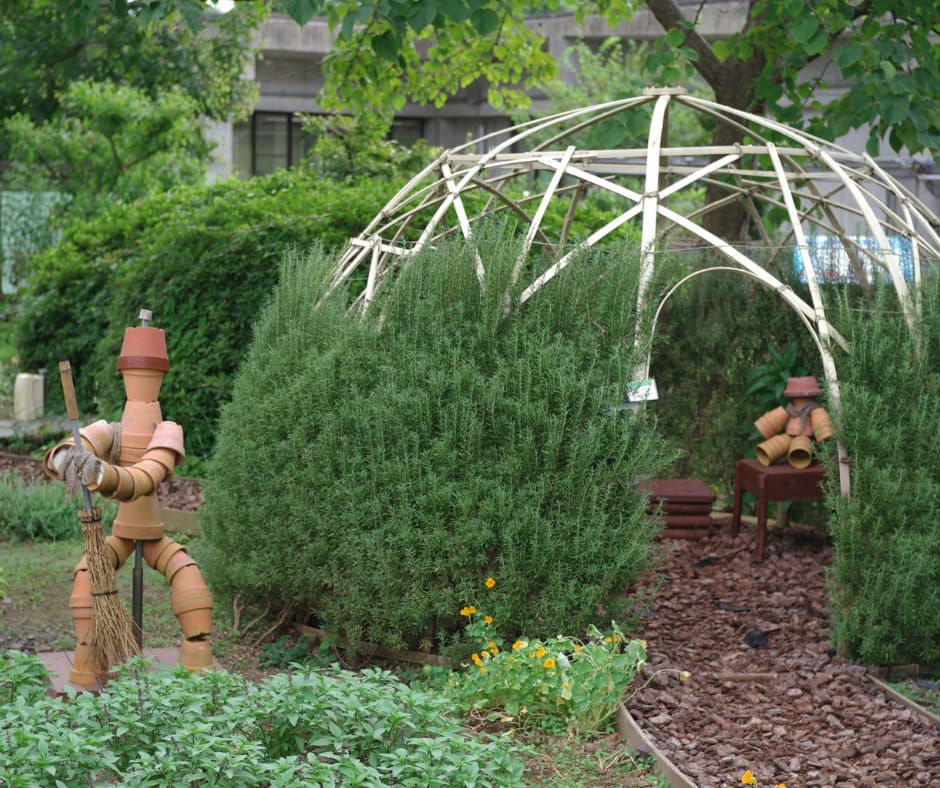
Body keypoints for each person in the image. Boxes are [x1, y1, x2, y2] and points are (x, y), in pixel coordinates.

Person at [44, 313, 213, 685]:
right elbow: (86, 439)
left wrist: (103, 475)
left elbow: (147, 474)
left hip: (154, 536)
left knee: (189, 578)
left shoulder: (167, 430)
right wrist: (69, 456)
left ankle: (197, 666)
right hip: (121, 534)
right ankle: (90, 660)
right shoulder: (115, 429)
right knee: (89, 574)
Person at [753, 375, 833, 467]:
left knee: (797, 445)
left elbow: (825, 432)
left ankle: (799, 453)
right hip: (790, 436)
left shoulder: (816, 412)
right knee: (774, 447)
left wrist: (825, 434)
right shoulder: (791, 410)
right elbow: (766, 426)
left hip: (804, 438)